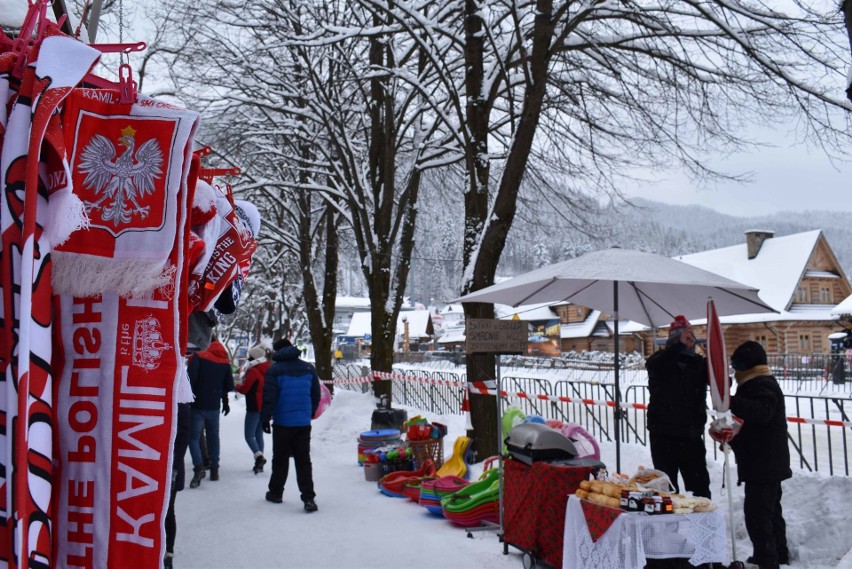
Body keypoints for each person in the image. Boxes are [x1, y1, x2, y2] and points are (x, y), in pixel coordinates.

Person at [727, 341, 791, 569]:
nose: (734, 373)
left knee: (758, 514)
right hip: (766, 461)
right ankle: (778, 554)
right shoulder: (759, 382)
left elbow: (762, 413)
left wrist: (731, 401)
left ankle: (767, 559)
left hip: (763, 463)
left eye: (736, 367)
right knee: (770, 512)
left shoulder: (762, 384)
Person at [644, 315, 711, 498]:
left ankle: (702, 525)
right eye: (685, 338)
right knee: (667, 489)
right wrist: (679, 346)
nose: (690, 342)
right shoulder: (660, 360)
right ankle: (669, 526)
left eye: (691, 338)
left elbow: (720, 383)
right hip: (663, 435)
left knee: (699, 488)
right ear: (674, 340)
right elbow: (654, 365)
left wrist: (715, 360)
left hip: (691, 435)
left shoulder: (698, 363)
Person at [262, 337, 320, 512]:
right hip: (303, 423)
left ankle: (276, 493)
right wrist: (308, 413)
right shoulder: (308, 368)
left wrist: (265, 418)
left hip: (282, 423)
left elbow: (269, 397)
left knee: (280, 459)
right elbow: (315, 395)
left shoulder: (274, 370)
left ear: (277, 351)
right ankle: (308, 498)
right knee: (303, 461)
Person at [187, 337, 234, 487]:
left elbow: (191, 378)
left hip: (197, 405)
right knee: (214, 437)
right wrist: (225, 401)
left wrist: (188, 398)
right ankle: (214, 469)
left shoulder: (199, 356)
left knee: (193, 438)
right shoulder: (224, 360)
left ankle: (199, 466)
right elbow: (228, 384)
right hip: (214, 405)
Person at [236, 344, 270, 474]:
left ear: (254, 357)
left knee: (249, 435)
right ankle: (259, 464)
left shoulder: (254, 371)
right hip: (264, 406)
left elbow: (245, 389)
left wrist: (237, 386)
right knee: (258, 435)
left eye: (250, 356)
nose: (248, 358)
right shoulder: (267, 369)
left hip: (254, 406)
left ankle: (259, 457)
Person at [164, 402, 191, 569]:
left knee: (168, 509)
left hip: (171, 466)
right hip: (157, 464)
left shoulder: (181, 403)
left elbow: (183, 437)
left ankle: (168, 552)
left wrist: (173, 467)